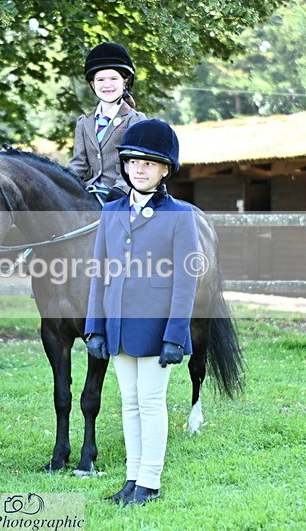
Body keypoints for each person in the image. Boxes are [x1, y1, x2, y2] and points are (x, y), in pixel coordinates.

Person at [84, 118, 201, 506]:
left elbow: (186, 281)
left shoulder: (180, 215)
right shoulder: (111, 211)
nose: (139, 169)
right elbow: (99, 273)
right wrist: (94, 327)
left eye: (149, 163)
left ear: (165, 169)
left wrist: (175, 336)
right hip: (117, 325)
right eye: (133, 162)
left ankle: (150, 482)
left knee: (150, 402)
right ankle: (132, 479)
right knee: (129, 403)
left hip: (156, 329)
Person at [68, 42, 146, 202]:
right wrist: (63, 184)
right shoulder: (84, 122)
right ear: (92, 84)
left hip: (123, 193)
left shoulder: (135, 120)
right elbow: (79, 164)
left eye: (113, 79)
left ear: (125, 81)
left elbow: (138, 162)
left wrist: (120, 189)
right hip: (91, 192)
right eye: (101, 80)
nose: (107, 85)